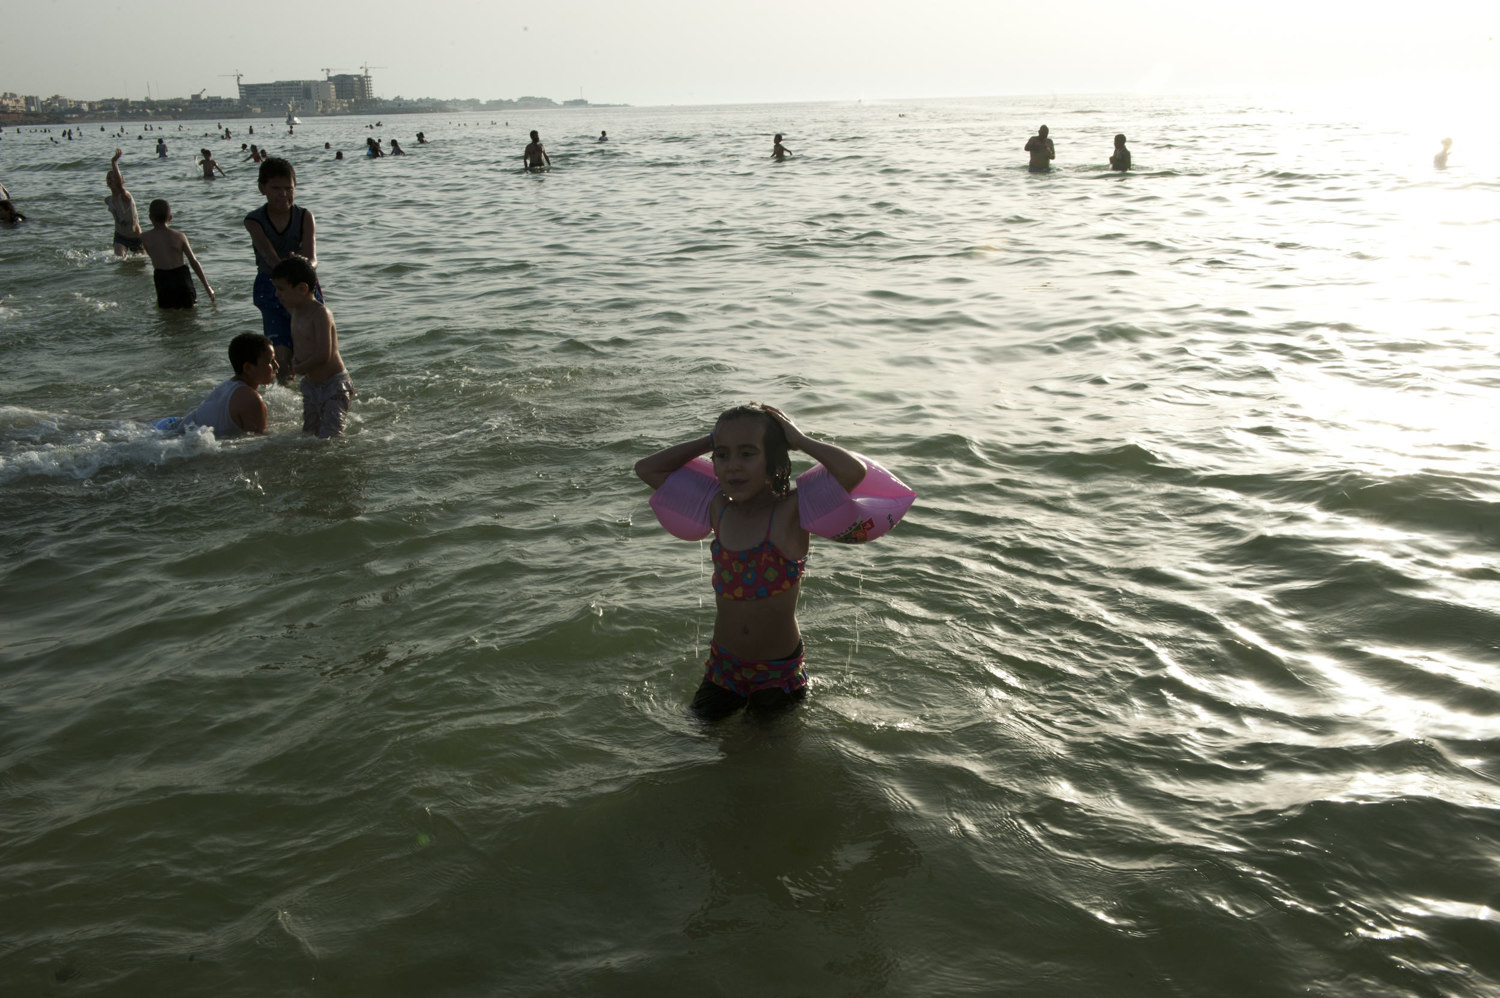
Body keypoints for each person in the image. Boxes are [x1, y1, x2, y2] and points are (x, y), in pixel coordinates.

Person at [635, 404, 896, 720]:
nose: (733, 466)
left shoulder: (792, 511)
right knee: (697, 745)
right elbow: (647, 469)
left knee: (766, 755)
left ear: (773, 461)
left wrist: (800, 440)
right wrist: (709, 440)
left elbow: (853, 473)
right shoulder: (719, 507)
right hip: (723, 667)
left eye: (747, 454)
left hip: (778, 673)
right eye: (723, 455)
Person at [244, 157, 322, 384]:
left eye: (289, 189)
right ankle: (288, 404)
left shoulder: (304, 216)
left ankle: (315, 394)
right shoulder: (254, 221)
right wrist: (289, 265)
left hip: (302, 288)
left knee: (311, 350)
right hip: (271, 288)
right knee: (281, 355)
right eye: (276, 188)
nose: (283, 194)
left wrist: (302, 263)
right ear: (262, 189)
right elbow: (269, 257)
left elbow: (313, 259)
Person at [271, 256, 353, 438]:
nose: (277, 294)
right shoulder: (294, 313)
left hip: (334, 385)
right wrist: (292, 360)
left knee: (330, 436)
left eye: (281, 289)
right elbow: (301, 345)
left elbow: (324, 354)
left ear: (302, 288)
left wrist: (300, 367)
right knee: (310, 433)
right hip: (311, 385)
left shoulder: (320, 314)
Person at [173, 333, 278, 437]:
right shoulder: (251, 400)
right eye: (270, 361)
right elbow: (259, 443)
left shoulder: (228, 386)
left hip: (174, 428)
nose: (276, 365)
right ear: (248, 368)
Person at [140, 199, 215, 309]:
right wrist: (207, 286)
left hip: (162, 278)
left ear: (150, 217)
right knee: (190, 312)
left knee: (167, 315)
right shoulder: (179, 236)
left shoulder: (144, 238)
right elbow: (193, 261)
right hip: (181, 278)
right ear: (170, 218)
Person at [104, 149, 144, 257]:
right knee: (119, 261)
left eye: (113, 178)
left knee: (140, 266)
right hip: (120, 237)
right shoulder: (108, 200)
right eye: (108, 178)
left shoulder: (126, 196)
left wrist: (114, 163)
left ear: (121, 181)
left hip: (136, 238)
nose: (110, 180)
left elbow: (120, 187)